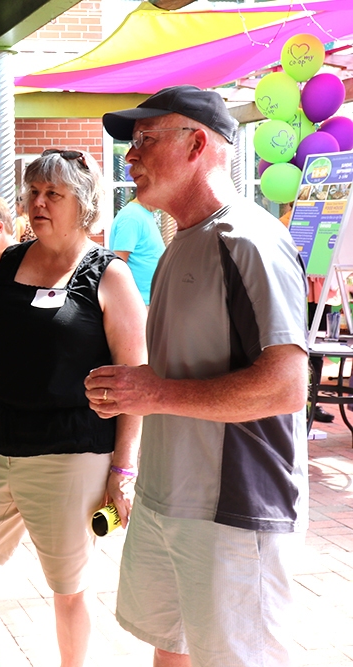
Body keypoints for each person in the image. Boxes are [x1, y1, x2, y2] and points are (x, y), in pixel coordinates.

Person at [87, 84, 308, 666]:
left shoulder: (250, 239)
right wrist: (138, 390)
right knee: (173, 650)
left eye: (145, 139)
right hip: (167, 497)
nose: (130, 156)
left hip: (234, 509)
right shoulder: (182, 242)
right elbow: (186, 371)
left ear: (197, 145)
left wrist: (154, 391)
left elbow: (286, 386)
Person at [0, 149, 146, 667]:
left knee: (68, 587)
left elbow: (134, 382)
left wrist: (123, 470)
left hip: (69, 453)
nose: (38, 203)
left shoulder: (109, 275)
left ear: (83, 204)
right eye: (33, 192)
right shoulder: (7, 261)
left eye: (53, 194)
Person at [108, 196, 165, 306]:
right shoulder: (132, 216)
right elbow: (118, 264)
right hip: (138, 304)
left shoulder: (144, 214)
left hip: (149, 301)